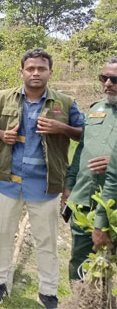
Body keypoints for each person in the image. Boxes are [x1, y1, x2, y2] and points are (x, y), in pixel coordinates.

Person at [0, 49, 84, 308]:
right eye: (30, 69)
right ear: (22, 72)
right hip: (8, 181)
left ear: (50, 72)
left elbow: (83, 134)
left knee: (46, 240)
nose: (36, 73)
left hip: (46, 184)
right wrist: (0, 134)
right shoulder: (3, 98)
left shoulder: (64, 102)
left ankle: (48, 291)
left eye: (41, 69)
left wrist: (61, 128)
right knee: (1, 235)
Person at [66, 57, 117, 281]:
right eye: (103, 78)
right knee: (80, 259)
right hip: (85, 197)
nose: (107, 83)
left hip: (112, 205)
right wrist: (69, 186)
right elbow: (81, 150)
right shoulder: (97, 109)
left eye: (114, 79)